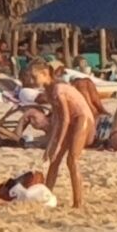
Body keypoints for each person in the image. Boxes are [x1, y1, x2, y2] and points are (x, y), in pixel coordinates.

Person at [29, 61, 95, 210]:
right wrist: (50, 146)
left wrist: (57, 144)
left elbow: (65, 118)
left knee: (72, 159)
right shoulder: (49, 91)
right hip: (71, 120)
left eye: (34, 77)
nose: (32, 81)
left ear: (45, 74)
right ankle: (47, 196)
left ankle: (78, 202)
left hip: (81, 118)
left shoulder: (58, 90)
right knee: (54, 160)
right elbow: (58, 120)